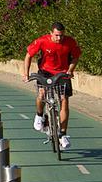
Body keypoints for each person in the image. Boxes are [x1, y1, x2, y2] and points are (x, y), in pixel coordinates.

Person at [22, 22, 81, 150]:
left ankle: (63, 134)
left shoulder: (70, 42)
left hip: (62, 73)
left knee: (64, 100)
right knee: (42, 94)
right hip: (45, 72)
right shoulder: (42, 41)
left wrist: (70, 70)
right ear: (51, 33)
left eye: (61, 35)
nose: (59, 38)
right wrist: (26, 74)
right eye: (56, 35)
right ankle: (39, 115)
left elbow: (76, 57)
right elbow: (28, 55)